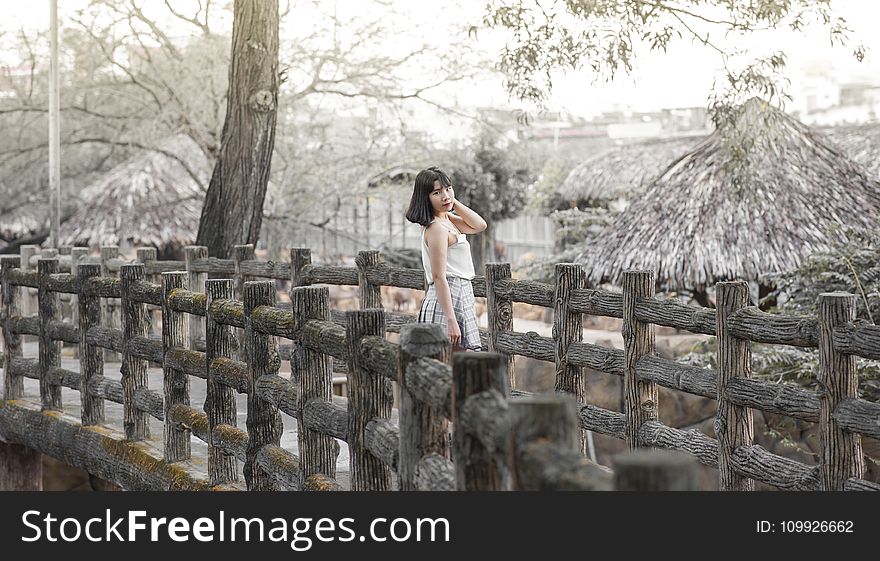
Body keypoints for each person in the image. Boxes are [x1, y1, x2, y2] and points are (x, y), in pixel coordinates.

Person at [405, 166, 487, 351]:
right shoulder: (436, 228)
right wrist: (451, 319)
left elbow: (480, 225)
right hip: (448, 299)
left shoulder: (447, 220)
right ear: (425, 197)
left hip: (459, 295)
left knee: (455, 367)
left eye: (448, 188)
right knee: (448, 368)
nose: (445, 195)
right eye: (437, 192)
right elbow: (438, 276)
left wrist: (452, 201)